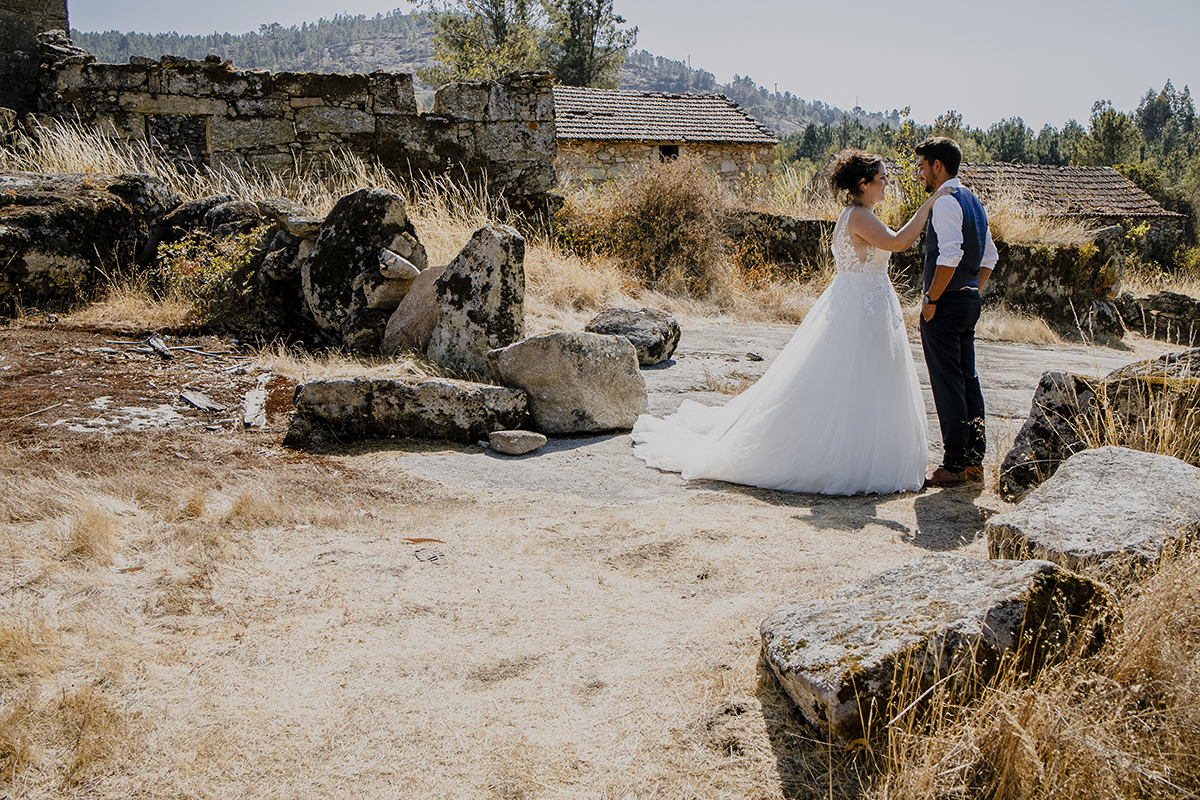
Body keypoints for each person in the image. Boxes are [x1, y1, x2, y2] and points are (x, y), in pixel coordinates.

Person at [630, 150, 948, 495]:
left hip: (864, 304)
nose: (887, 183)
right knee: (852, 380)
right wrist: (929, 204)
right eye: (882, 178)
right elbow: (900, 242)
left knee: (862, 380)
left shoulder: (857, 214)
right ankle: (843, 457)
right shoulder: (859, 216)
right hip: (861, 308)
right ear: (863, 184)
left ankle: (866, 452)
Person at [914, 136, 999, 488]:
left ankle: (953, 463)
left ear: (938, 165)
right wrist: (970, 290)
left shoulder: (946, 202)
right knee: (968, 379)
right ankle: (974, 459)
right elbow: (989, 258)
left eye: (922, 167)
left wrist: (932, 300)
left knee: (948, 382)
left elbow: (948, 256)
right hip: (967, 303)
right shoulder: (974, 202)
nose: (920, 174)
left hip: (946, 305)